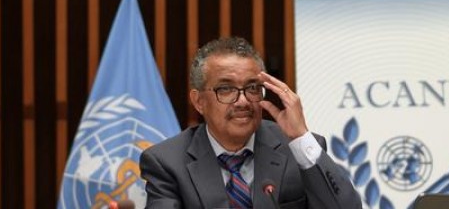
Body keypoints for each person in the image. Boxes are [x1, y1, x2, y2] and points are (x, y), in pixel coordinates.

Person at [139, 37, 361, 209]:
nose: (243, 101)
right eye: (225, 89)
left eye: (253, 88)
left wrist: (301, 137)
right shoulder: (167, 162)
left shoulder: (296, 150)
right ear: (198, 101)